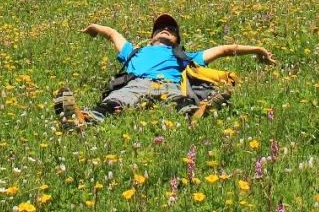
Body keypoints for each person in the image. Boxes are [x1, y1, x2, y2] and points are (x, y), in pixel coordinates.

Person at [53, 13, 277, 128]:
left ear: (177, 38)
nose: (166, 30)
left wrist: (257, 49)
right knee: (115, 101)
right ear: (152, 36)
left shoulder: (184, 56)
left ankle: (198, 113)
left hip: (169, 84)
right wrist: (94, 28)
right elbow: (112, 33)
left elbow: (225, 49)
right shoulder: (134, 51)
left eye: (171, 29)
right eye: (160, 28)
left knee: (181, 103)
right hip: (137, 83)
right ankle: (81, 119)